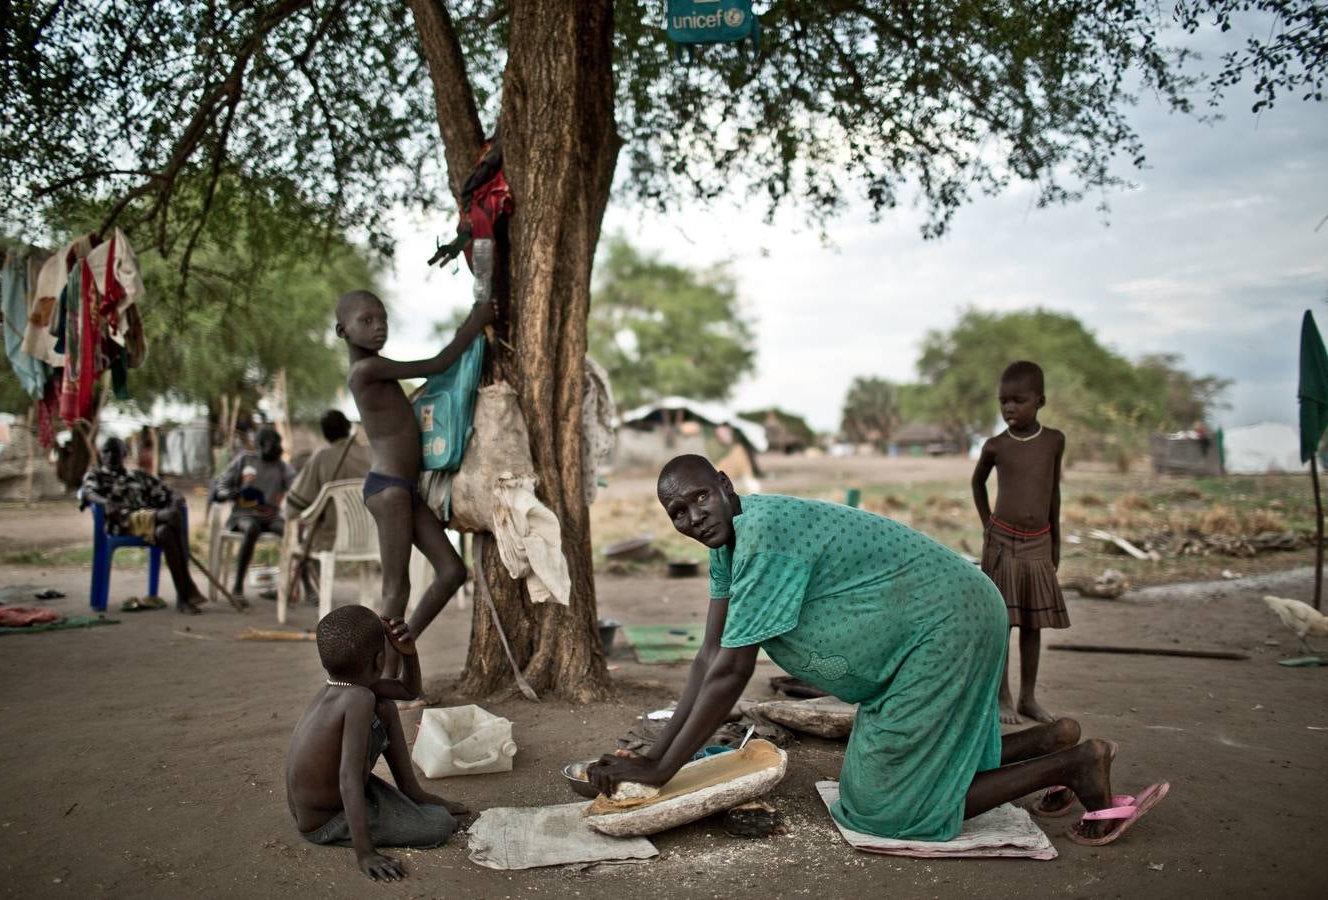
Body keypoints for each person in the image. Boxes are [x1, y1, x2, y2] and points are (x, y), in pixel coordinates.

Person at [587, 455, 1168, 847]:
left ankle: (1076, 763)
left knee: (886, 811)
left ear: (725, 485)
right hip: (929, 632)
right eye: (678, 514)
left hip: (948, 625)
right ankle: (1048, 739)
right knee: (895, 772)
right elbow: (710, 654)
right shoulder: (730, 541)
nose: (694, 518)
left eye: (699, 499)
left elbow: (734, 671)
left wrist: (661, 768)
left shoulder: (762, 534)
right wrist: (658, 756)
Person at [336, 289, 492, 660]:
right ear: (342, 331)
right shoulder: (366, 370)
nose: (379, 328)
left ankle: (399, 649)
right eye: (367, 321)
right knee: (396, 589)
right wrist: (477, 320)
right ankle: (378, 676)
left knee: (452, 571)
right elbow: (438, 364)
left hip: (403, 490)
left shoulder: (375, 368)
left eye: (382, 319)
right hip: (388, 490)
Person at [286, 605, 467, 881]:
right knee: (441, 825)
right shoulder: (358, 699)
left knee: (385, 707)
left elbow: (408, 690)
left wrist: (410, 654)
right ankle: (400, 812)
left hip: (312, 807)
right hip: (327, 820)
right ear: (380, 659)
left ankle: (413, 792)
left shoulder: (343, 688)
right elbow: (348, 779)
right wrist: (365, 853)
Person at [971, 360, 1068, 725]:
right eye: (1003, 401)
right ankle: (1003, 697)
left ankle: (1029, 697)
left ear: (1040, 401)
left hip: (1038, 543)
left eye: (1019, 400)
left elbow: (1053, 493)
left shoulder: (1053, 441)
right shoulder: (996, 446)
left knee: (1033, 623)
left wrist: (1056, 542)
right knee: (1004, 622)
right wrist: (987, 525)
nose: (1009, 407)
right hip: (1002, 544)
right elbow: (977, 483)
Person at [80, 437, 206, 614]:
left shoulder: (138, 475)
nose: (109, 456)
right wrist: (105, 501)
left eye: (114, 451)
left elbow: (168, 491)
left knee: (166, 532)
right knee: (172, 516)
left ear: (124, 454)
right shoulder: (97, 475)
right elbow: (88, 493)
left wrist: (176, 499)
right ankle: (188, 586)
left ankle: (183, 599)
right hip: (123, 523)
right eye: (106, 451)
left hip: (149, 522)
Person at [283, 410, 373, 602]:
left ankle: (312, 591)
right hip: (372, 539)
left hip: (332, 539)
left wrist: (291, 512)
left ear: (324, 434)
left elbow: (294, 505)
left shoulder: (322, 457)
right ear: (348, 428)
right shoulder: (371, 454)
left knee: (306, 534)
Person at [211, 426, 295, 606]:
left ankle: (299, 586)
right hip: (244, 515)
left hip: (270, 516)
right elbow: (222, 485)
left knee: (290, 532)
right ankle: (237, 587)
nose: (276, 449)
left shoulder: (281, 467)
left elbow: (296, 487)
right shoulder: (244, 460)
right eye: (272, 445)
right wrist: (228, 493)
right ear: (260, 445)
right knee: (252, 528)